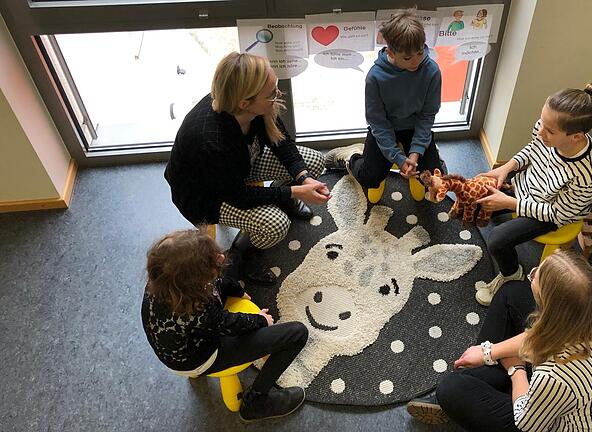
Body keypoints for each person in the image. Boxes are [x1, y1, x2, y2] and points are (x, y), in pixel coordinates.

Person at [407, 249, 592, 431]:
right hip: (573, 387)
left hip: (544, 419)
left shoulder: (556, 376)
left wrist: (516, 369)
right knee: (513, 293)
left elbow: (526, 422)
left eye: (536, 277)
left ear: (551, 309)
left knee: (450, 389)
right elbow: (546, 331)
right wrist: (490, 351)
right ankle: (487, 379)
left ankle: (479, 385)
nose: (533, 274)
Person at [165, 52, 329, 285]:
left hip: (238, 167)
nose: (278, 94)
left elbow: (281, 141)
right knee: (276, 225)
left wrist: (302, 178)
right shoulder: (210, 141)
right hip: (207, 196)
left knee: (313, 162)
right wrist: (294, 191)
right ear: (245, 103)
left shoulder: (250, 105)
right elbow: (238, 196)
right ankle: (243, 254)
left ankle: (281, 198)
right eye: (272, 92)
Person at [141, 229, 309, 422]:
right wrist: (261, 320)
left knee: (228, 271)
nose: (221, 256)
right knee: (297, 333)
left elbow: (216, 282)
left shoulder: (166, 283)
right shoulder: (194, 309)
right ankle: (256, 402)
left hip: (179, 349)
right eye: (212, 261)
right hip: (202, 357)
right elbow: (228, 323)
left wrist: (235, 289)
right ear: (197, 280)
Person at [473, 84, 592, 306]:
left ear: (576, 137)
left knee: (497, 240)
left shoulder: (588, 172)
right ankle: (503, 208)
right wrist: (507, 168)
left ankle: (511, 274)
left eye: (549, 131)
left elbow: (559, 215)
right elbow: (532, 150)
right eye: (541, 123)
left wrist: (512, 203)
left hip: (551, 214)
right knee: (478, 195)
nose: (540, 131)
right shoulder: (546, 128)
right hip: (524, 189)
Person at [324, 9, 444, 188]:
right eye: (408, 57)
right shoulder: (375, 77)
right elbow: (377, 122)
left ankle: (433, 155)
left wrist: (416, 152)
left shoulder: (432, 71)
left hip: (414, 128)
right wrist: (398, 158)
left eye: (420, 52)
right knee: (369, 178)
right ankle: (351, 156)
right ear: (391, 53)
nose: (416, 62)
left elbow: (427, 115)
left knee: (436, 180)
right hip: (385, 128)